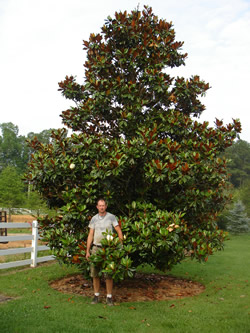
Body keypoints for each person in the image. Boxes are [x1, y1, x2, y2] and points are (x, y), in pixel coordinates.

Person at [86, 198, 123, 306]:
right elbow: (90, 235)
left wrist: (120, 246)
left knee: (108, 274)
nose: (101, 207)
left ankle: (109, 297)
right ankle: (96, 296)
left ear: (106, 206)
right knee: (95, 273)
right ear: (97, 207)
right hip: (96, 248)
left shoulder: (111, 217)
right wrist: (87, 251)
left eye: (103, 205)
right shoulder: (93, 219)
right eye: (99, 205)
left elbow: (118, 231)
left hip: (108, 249)